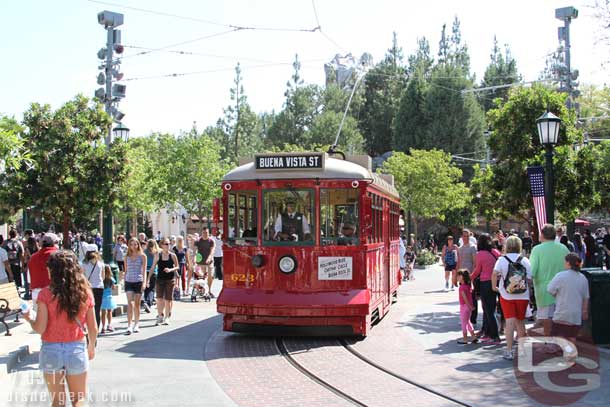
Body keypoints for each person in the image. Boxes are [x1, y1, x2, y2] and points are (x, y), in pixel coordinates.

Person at [23, 250, 97, 407]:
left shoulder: (45, 294)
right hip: (76, 347)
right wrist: (91, 347)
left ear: (52, 271)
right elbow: (93, 327)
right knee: (79, 399)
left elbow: (40, 328)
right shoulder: (85, 293)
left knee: (58, 401)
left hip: (51, 349)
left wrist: (29, 318)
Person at [492, 236, 532, 360]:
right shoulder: (525, 260)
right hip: (522, 295)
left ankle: (509, 350)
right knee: (520, 322)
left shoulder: (502, 260)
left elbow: (494, 274)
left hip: (506, 295)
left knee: (509, 322)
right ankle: (523, 352)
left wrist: (494, 287)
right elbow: (530, 279)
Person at [530, 224, 570, 337]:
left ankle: (550, 343)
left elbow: (532, 272)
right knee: (560, 319)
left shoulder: (537, 250)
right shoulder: (563, 248)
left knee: (547, 319)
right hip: (563, 290)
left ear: (542, 235)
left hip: (544, 291)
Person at [547, 253, 589, 343]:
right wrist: (584, 311)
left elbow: (550, 289)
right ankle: (570, 354)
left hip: (562, 312)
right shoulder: (583, 278)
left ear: (568, 263)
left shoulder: (561, 276)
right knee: (572, 337)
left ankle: (562, 353)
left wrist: (558, 295)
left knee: (558, 336)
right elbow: (586, 297)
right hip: (576, 315)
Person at [471, 233, 501, 344]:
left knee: (488, 310)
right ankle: (487, 332)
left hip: (486, 283)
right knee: (490, 308)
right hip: (497, 282)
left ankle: (494, 335)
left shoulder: (480, 254)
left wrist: (469, 278)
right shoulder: (496, 252)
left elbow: (478, 270)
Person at [149, 238, 178, 325]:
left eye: (169, 244)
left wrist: (170, 269)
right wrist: (148, 278)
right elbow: (153, 267)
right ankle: (160, 315)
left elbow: (177, 267)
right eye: (166, 244)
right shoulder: (158, 255)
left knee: (168, 299)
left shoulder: (172, 255)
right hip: (160, 279)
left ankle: (167, 317)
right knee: (159, 299)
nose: (168, 245)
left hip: (170, 279)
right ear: (161, 245)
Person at [122, 237, 147, 334]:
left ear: (138, 245)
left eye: (135, 244)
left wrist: (144, 282)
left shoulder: (142, 256)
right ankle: (129, 325)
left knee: (137, 304)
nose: (133, 246)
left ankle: (136, 323)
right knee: (130, 303)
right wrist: (124, 280)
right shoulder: (126, 256)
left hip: (138, 281)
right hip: (129, 281)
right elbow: (126, 270)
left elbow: (144, 270)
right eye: (131, 244)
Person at [28, 233, 59, 305]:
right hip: (54, 294)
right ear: (54, 243)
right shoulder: (59, 256)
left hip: (37, 294)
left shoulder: (33, 257)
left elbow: (29, 279)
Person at [81, 244, 104, 329]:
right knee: (97, 310)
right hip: (99, 287)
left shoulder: (84, 263)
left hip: (88, 288)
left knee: (87, 309)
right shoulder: (101, 263)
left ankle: (88, 328)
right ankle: (96, 328)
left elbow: (82, 276)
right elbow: (103, 276)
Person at [457, 229, 478, 324]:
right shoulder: (460, 248)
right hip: (462, 276)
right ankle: (464, 317)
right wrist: (456, 276)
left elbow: (475, 262)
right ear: (462, 237)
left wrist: (472, 276)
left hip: (470, 275)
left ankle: (473, 318)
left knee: (472, 297)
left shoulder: (473, 247)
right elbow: (459, 262)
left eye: (467, 236)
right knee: (463, 296)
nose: (465, 238)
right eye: (464, 236)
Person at [456, 269, 478, 345]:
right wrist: (471, 307)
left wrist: (469, 306)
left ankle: (465, 339)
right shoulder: (468, 286)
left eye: (459, 275)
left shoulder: (462, 287)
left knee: (463, 323)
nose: (457, 277)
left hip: (464, 307)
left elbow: (465, 299)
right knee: (468, 322)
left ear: (463, 277)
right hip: (468, 307)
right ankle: (473, 337)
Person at [195, 228, 216, 297]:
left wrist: (209, 258)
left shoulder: (211, 241)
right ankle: (203, 290)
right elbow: (194, 249)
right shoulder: (198, 241)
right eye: (203, 233)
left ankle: (209, 290)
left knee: (210, 275)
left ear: (208, 233)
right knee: (202, 277)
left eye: (206, 233)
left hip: (209, 261)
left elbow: (212, 251)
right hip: (201, 262)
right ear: (201, 233)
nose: (205, 234)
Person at [100, 265, 117, 334]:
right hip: (109, 297)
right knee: (109, 312)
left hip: (102, 297)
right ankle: (109, 325)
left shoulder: (101, 278)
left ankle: (103, 327)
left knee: (103, 313)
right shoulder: (111, 279)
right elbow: (113, 287)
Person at [143, 239, 158, 308]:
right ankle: (149, 302)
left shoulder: (144, 252)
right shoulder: (156, 252)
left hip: (145, 270)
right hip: (153, 271)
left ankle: (146, 301)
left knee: (146, 287)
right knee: (151, 288)